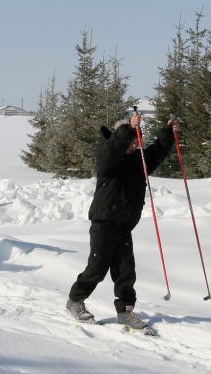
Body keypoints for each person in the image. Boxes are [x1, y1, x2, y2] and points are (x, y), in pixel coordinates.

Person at [66, 113, 180, 329]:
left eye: (138, 139)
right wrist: (129, 128)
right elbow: (114, 147)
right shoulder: (107, 157)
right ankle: (74, 301)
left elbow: (157, 152)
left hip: (124, 225)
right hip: (103, 223)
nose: (137, 143)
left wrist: (168, 133)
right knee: (97, 268)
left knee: (126, 271)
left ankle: (125, 312)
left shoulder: (138, 161)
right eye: (133, 139)